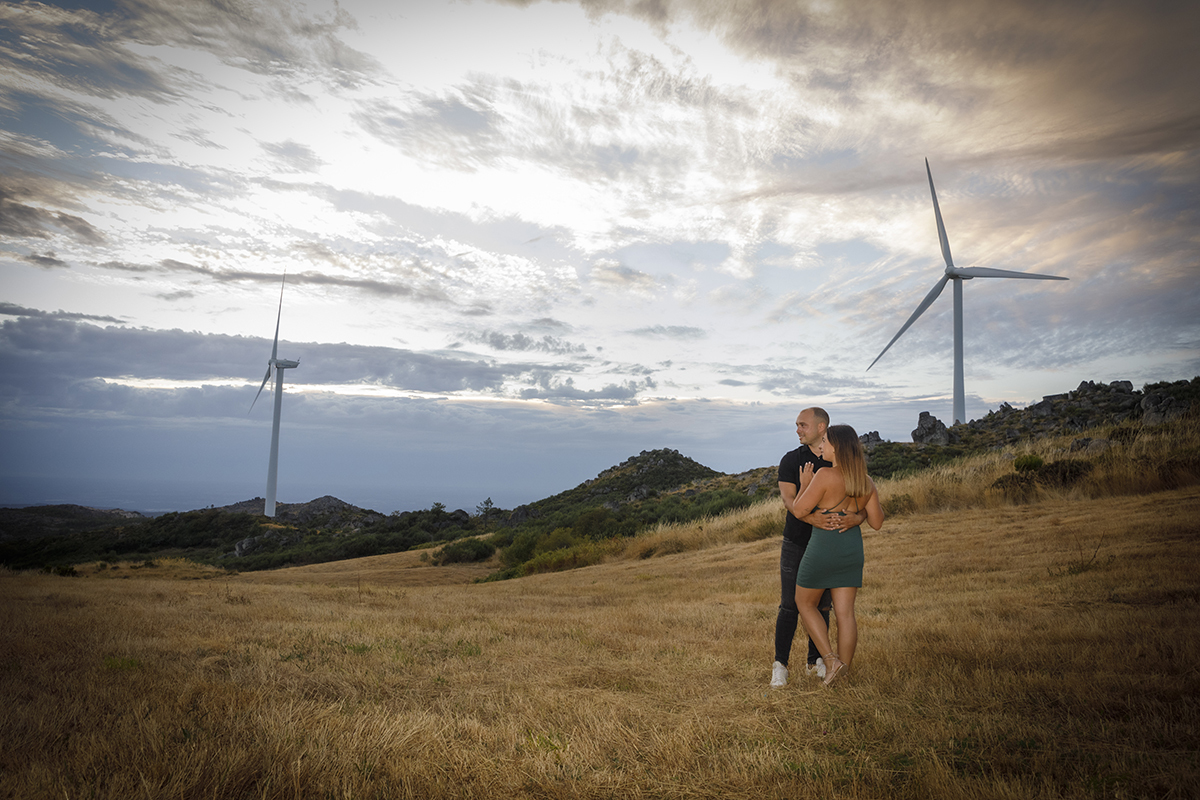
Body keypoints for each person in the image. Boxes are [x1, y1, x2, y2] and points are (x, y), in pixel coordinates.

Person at [770, 408, 867, 688]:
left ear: (821, 427)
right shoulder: (791, 460)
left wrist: (855, 517)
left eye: (802, 424)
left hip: (825, 545)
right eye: (797, 425)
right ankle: (781, 665)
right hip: (798, 541)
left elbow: (862, 503)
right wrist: (813, 517)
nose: (798, 429)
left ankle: (818, 662)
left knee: (822, 606)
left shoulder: (836, 463)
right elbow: (791, 503)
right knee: (790, 605)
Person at [788, 423, 884, 686]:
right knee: (846, 614)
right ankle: (843, 673)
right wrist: (858, 516)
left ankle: (830, 660)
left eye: (826, 442)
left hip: (823, 549)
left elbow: (798, 511)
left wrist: (805, 484)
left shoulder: (824, 475)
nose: (822, 446)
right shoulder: (866, 482)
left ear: (837, 447)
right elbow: (877, 522)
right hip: (851, 550)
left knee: (804, 603)